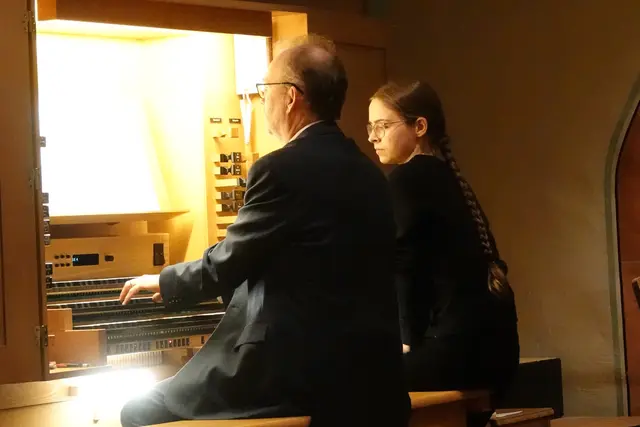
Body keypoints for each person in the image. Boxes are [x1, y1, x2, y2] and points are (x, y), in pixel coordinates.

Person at [118, 36, 410, 427]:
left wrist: (166, 281)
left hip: (296, 372)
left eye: (264, 89)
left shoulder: (280, 169)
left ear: (290, 97)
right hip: (371, 371)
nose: (262, 100)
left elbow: (229, 261)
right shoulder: (369, 173)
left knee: (138, 411)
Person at [367, 81, 520, 403]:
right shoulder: (451, 178)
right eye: (371, 127)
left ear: (419, 127)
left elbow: (403, 266)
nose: (372, 137)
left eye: (382, 126)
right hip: (498, 355)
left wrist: (406, 341)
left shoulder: (408, 180)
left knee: (348, 385)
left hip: (454, 355)